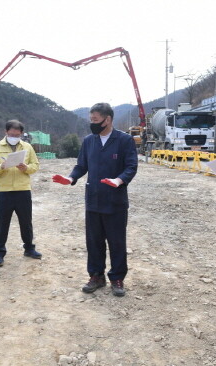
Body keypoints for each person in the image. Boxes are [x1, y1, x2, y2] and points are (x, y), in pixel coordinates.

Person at [52, 103, 138, 297]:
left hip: (115, 200)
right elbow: (81, 165)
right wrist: (71, 178)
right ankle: (96, 276)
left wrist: (119, 180)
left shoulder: (124, 140)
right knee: (94, 241)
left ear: (108, 119)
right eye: (91, 120)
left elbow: (131, 166)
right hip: (93, 200)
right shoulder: (89, 141)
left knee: (116, 242)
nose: (93, 124)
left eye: (96, 120)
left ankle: (117, 278)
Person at [0, 120, 41, 267]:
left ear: (21, 134)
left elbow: (35, 166)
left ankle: (29, 248)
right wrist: (1, 166)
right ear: (5, 132)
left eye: (17, 135)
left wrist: (26, 168)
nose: (14, 136)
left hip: (23, 190)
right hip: (5, 191)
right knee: (2, 223)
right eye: (11, 134)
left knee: (26, 222)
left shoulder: (27, 147)